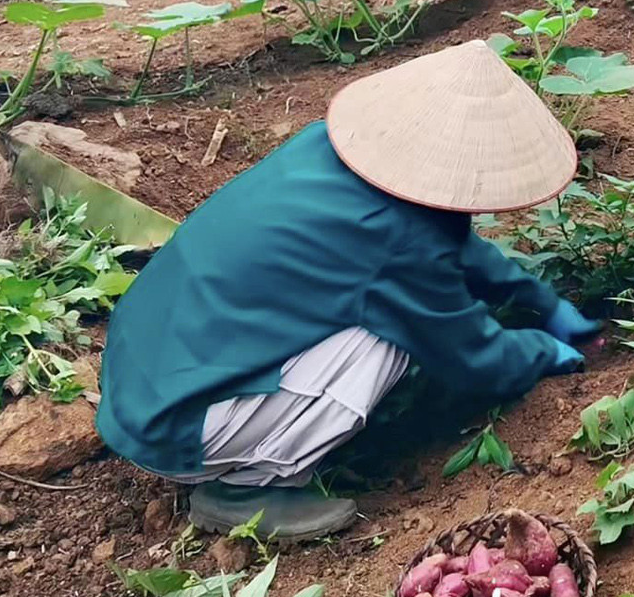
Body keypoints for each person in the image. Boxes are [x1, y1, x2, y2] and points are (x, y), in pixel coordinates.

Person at [97, 40, 598, 540]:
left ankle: (250, 435)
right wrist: (539, 350)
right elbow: (475, 357)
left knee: (375, 303)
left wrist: (534, 295)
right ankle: (248, 485)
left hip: (141, 376)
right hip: (176, 428)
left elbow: (445, 239)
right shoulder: (398, 240)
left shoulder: (323, 147)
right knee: (386, 339)